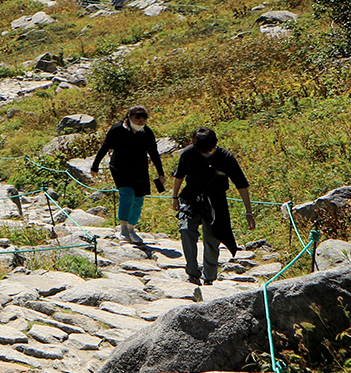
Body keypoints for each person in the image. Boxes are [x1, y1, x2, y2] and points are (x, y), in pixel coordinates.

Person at [168, 127, 255, 285]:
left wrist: (249, 211)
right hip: (191, 198)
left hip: (216, 201)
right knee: (186, 230)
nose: (207, 153)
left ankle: (209, 277)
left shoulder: (225, 157)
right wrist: (174, 197)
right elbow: (179, 175)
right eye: (203, 151)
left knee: (212, 238)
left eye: (210, 150)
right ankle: (193, 273)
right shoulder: (188, 154)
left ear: (216, 144)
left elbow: (241, 184)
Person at [89, 105, 166, 245]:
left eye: (144, 120)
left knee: (138, 200)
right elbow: (105, 147)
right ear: (129, 117)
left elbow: (154, 153)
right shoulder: (117, 129)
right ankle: (123, 229)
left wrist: (161, 174)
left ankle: (132, 229)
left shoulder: (147, 132)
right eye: (137, 119)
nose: (140, 122)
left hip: (140, 169)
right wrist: (95, 166)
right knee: (127, 194)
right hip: (120, 167)